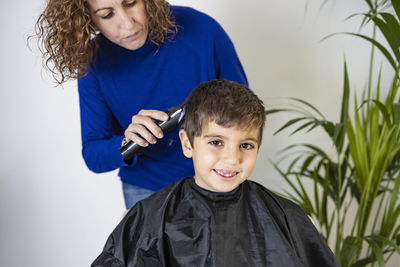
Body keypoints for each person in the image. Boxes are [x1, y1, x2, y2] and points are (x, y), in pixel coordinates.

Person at [91, 79, 340, 267]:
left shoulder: (285, 216)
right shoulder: (152, 216)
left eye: (246, 145)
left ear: (258, 147)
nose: (232, 158)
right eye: (216, 142)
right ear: (187, 144)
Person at [34, 0, 247, 209]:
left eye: (131, 3)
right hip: (145, 190)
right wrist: (128, 142)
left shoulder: (201, 29)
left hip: (218, 177)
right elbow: (93, 154)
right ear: (87, 18)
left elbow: (245, 109)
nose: (128, 23)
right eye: (107, 14)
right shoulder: (93, 62)